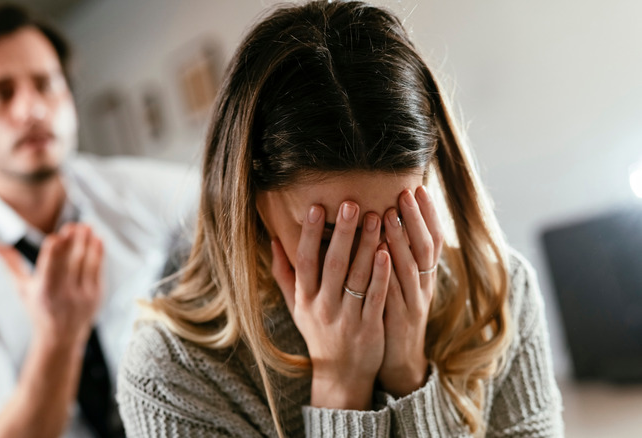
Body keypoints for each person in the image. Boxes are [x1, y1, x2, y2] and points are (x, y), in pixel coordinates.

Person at [117, 1, 564, 437]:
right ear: (249, 197)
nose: (373, 263)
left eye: (397, 223)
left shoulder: (498, 295)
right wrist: (340, 385)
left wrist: (408, 375)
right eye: (332, 234)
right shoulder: (171, 374)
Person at [0, 4, 196, 438]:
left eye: (47, 85)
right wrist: (58, 336)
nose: (32, 109)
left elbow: (241, 210)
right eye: (2, 93)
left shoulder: (142, 194)